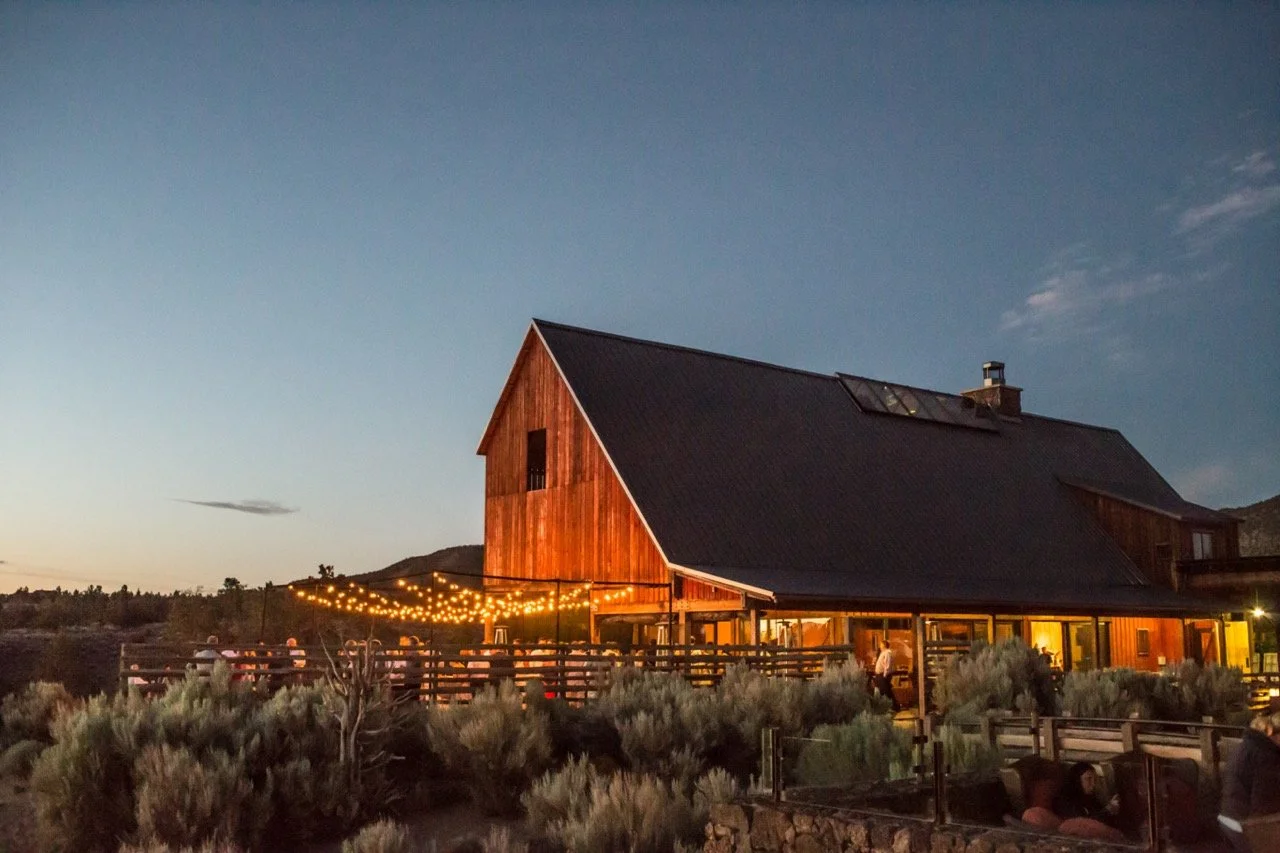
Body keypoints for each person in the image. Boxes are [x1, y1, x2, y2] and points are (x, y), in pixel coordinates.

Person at [1218, 707, 1280, 852]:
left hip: (1228, 816)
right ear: (1273, 733)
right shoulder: (1266, 756)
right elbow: (1264, 803)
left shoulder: (1248, 746)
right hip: (1243, 824)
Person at [1053, 762, 1119, 825]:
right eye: (1088, 779)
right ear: (1077, 780)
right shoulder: (1065, 801)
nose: (1093, 784)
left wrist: (1111, 811)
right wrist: (1108, 810)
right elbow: (1082, 824)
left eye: (1095, 779)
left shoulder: (1090, 798)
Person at [874, 642, 899, 711]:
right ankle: (886, 706)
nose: (880, 646)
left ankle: (895, 706)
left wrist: (885, 675)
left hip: (883, 675)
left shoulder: (887, 653)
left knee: (886, 691)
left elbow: (887, 664)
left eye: (881, 644)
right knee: (882, 690)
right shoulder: (883, 653)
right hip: (879, 675)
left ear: (884, 645)